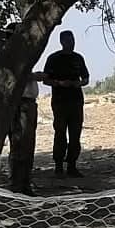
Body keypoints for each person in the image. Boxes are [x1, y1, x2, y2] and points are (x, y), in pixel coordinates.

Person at [0, 47, 41, 195]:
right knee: (12, 144)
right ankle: (12, 184)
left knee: (24, 145)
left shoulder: (24, 56)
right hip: (8, 104)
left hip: (24, 103)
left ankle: (23, 182)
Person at [41, 31, 90, 178]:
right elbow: (45, 80)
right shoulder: (54, 58)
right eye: (68, 40)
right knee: (60, 133)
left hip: (76, 101)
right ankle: (58, 166)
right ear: (62, 41)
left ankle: (72, 165)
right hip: (60, 102)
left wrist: (78, 83)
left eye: (73, 39)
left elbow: (86, 78)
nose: (71, 42)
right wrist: (59, 83)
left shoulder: (78, 58)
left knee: (75, 134)